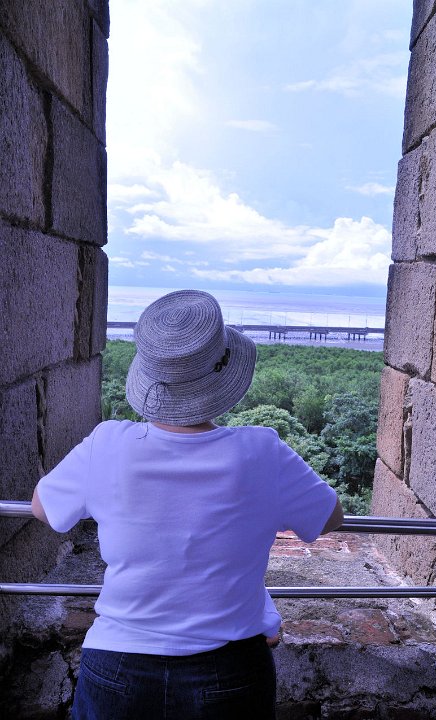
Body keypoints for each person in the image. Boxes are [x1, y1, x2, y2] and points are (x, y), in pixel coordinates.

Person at [32, 289, 344, 720]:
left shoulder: (108, 443)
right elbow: (330, 517)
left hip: (116, 662)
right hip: (230, 668)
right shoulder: (262, 452)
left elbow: (43, 508)